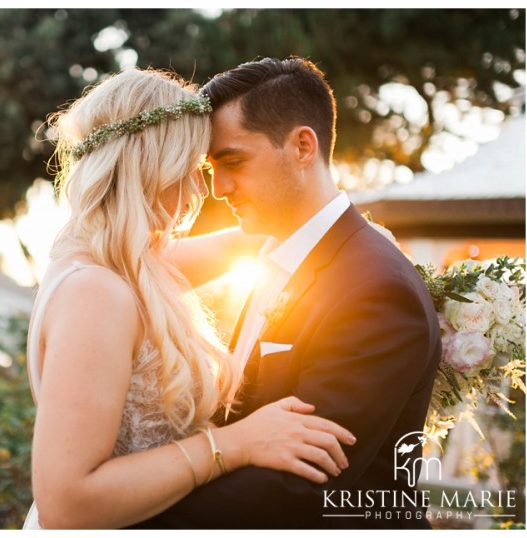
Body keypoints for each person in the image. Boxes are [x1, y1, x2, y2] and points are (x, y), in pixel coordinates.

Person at [23, 67, 356, 530]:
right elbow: (68, 504)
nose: (205, 190)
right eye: (194, 169)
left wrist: (355, 238)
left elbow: (241, 243)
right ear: (151, 165)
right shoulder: (96, 292)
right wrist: (234, 444)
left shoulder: (128, 264)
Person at [130, 57, 442, 530]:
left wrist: (124, 513)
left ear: (301, 146)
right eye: (212, 169)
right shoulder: (275, 255)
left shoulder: (374, 289)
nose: (220, 188)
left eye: (233, 161)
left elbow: (301, 485)